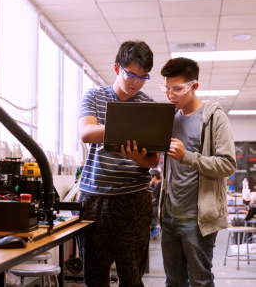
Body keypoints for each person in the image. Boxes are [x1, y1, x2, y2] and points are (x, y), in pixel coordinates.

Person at [75, 40, 160, 287]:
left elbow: (153, 158)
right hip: (94, 199)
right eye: (131, 74)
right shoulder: (94, 96)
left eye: (143, 77)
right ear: (116, 69)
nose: (137, 82)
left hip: (133, 199)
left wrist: (135, 156)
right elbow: (86, 133)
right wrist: (126, 129)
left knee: (132, 277)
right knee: (94, 276)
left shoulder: (148, 106)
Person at [158, 57, 236, 287]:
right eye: (166, 88)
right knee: (173, 282)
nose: (170, 95)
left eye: (177, 89)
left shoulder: (214, 118)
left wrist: (188, 157)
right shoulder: (169, 120)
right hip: (170, 216)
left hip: (198, 219)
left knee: (200, 281)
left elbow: (228, 164)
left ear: (194, 86)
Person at [149, 169, 161, 237]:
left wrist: (150, 184)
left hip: (159, 207)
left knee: (146, 210)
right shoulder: (156, 184)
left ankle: (155, 225)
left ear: (154, 177)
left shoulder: (159, 184)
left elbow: (151, 194)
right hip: (157, 205)